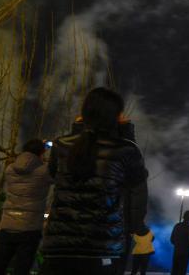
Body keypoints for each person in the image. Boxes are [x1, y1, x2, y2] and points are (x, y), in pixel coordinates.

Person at [41, 87, 148, 275]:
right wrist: (126, 131)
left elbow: (52, 176)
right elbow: (136, 184)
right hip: (102, 246)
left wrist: (79, 128)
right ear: (116, 115)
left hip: (59, 247)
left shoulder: (61, 145)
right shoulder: (125, 150)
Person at [0, 138, 54, 275]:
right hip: (30, 228)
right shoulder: (44, 171)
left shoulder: (10, 169)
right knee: (22, 268)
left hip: (7, 225)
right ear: (41, 153)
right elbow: (56, 174)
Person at [171, 210, 189, 275]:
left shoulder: (177, 226)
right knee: (182, 270)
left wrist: (177, 245)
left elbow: (172, 239)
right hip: (185, 253)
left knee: (174, 270)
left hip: (176, 251)